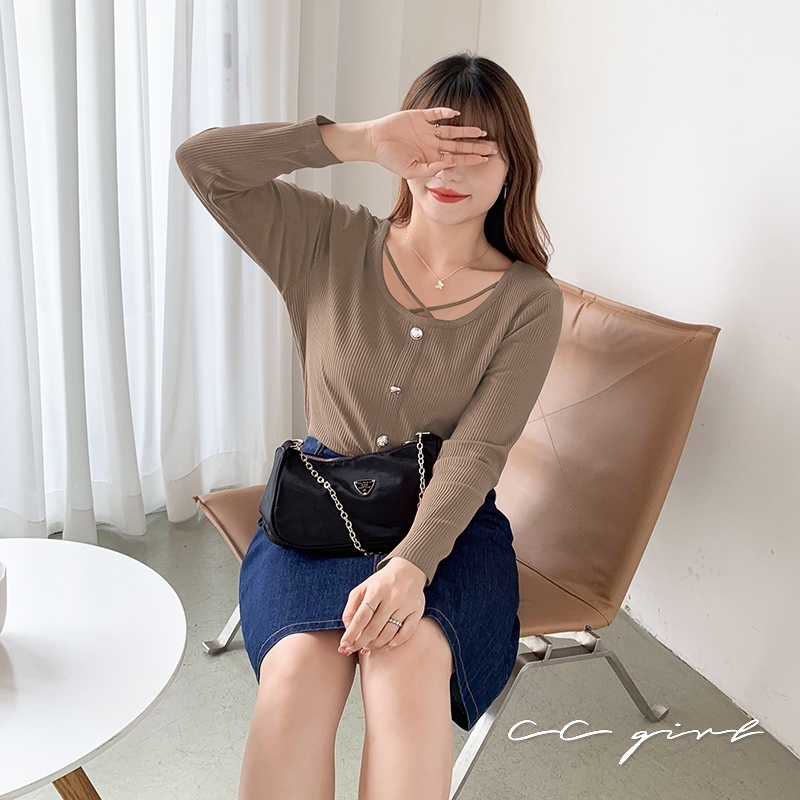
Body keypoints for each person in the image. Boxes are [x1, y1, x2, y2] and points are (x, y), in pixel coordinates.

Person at [176, 52, 563, 800]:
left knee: (406, 670)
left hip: (445, 527)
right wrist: (354, 139)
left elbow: (478, 449)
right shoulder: (328, 240)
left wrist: (412, 564)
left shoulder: (529, 301)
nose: (448, 170)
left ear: (514, 165)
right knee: (294, 676)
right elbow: (205, 164)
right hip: (317, 508)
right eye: (432, 145)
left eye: (475, 151)